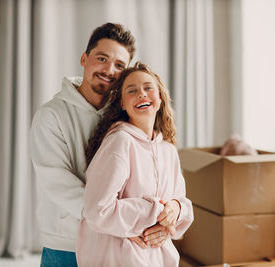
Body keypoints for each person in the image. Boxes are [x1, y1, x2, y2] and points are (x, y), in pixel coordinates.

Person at [29, 23, 170, 267]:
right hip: (67, 244)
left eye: (119, 65)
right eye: (102, 58)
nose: (108, 70)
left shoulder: (127, 114)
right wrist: (119, 223)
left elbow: (152, 172)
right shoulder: (51, 115)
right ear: (84, 58)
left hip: (118, 244)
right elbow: (57, 180)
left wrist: (172, 210)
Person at [76, 62, 193, 267]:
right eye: (132, 90)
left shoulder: (168, 151)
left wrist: (174, 211)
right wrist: (155, 211)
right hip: (119, 259)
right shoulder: (120, 142)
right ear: (122, 103)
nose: (141, 94)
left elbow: (180, 202)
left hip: (158, 260)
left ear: (159, 98)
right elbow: (97, 210)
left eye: (148, 87)